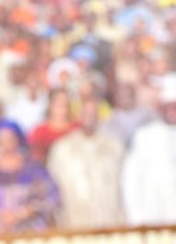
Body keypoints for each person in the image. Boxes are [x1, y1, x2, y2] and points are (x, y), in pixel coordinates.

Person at [0, 120, 60, 235]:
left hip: (30, 234)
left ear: (17, 140)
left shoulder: (34, 169)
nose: (6, 145)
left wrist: (25, 212)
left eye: (10, 140)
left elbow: (51, 196)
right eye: (1, 140)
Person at [47, 97, 125, 230]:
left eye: (93, 113)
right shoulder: (62, 148)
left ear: (99, 116)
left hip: (109, 220)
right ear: (78, 115)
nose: (90, 117)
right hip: (75, 221)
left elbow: (124, 185)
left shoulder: (114, 147)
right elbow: (53, 187)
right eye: (86, 113)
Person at [122, 73, 176, 225]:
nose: (173, 111)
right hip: (153, 219)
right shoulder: (144, 136)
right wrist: (137, 217)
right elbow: (131, 179)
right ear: (161, 108)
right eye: (169, 107)